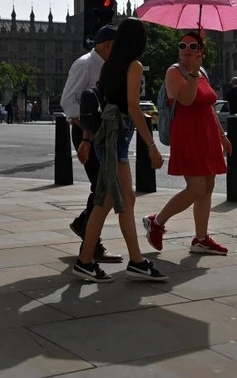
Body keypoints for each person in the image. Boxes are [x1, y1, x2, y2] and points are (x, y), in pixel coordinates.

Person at [75, 17, 166, 283]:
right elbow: (133, 107)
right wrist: (151, 145)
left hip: (109, 138)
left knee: (120, 201)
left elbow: (99, 102)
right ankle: (86, 262)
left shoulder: (109, 66)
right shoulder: (133, 66)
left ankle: (134, 261)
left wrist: (87, 139)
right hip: (117, 140)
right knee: (109, 202)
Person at [143, 31, 233, 256]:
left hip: (207, 134)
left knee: (208, 187)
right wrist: (192, 74)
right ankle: (157, 222)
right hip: (188, 136)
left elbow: (209, 107)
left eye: (192, 46)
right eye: (182, 45)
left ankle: (201, 239)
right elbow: (185, 100)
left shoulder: (202, 72)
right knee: (196, 188)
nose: (186, 49)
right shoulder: (174, 72)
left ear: (200, 51)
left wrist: (222, 136)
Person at [60, 24, 122, 265]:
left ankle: (85, 225)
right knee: (101, 187)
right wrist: (89, 130)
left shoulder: (107, 66)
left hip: (101, 134)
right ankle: (91, 243)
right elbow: (68, 103)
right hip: (86, 133)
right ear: (107, 45)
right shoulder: (85, 64)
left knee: (102, 187)